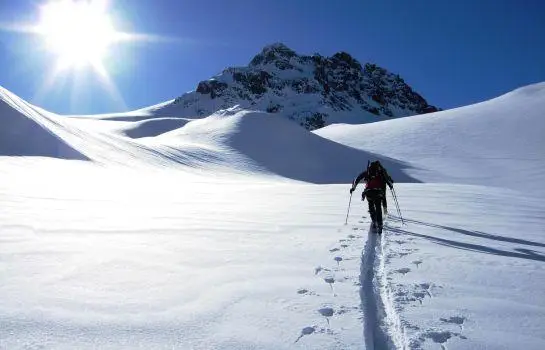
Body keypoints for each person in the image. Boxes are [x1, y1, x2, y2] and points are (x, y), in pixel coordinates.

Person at [349, 160, 394, 233]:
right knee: (378, 207)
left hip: (368, 192)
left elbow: (358, 178)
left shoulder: (367, 172)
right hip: (378, 192)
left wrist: (353, 187)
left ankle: (374, 222)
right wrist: (390, 185)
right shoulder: (380, 172)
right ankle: (380, 224)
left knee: (371, 206)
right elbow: (386, 179)